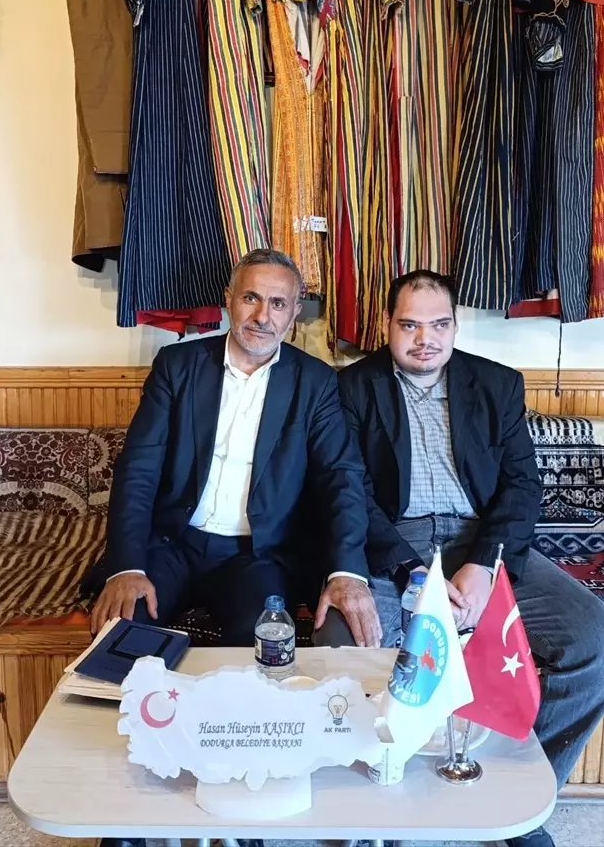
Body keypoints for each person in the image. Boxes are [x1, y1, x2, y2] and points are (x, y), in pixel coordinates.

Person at [324, 270, 604, 847]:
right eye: (410, 325)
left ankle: (515, 797)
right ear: (386, 325)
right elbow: (350, 491)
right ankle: (378, 818)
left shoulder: (495, 384)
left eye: (439, 325)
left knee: (602, 647)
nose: (426, 339)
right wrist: (411, 571)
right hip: (394, 549)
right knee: (348, 651)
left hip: (482, 543)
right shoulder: (352, 388)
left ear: (455, 325)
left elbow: (522, 486)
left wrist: (486, 564)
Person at [86, 248, 382, 649]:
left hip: (257, 555)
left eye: (278, 303)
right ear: (229, 298)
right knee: (122, 634)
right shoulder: (178, 366)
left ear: (294, 311)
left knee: (262, 645)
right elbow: (138, 468)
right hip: (172, 543)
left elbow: (341, 477)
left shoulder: (315, 382)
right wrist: (126, 567)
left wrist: (348, 573)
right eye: (251, 298)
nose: (262, 316)